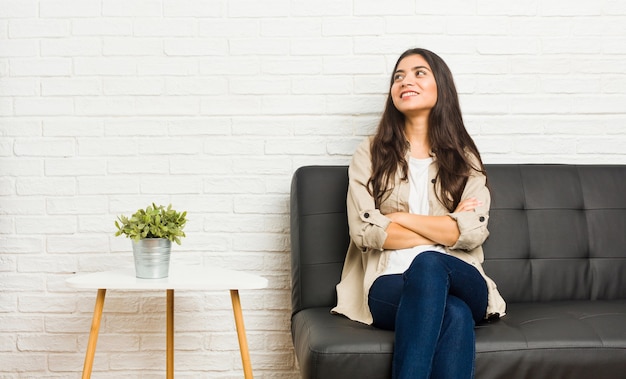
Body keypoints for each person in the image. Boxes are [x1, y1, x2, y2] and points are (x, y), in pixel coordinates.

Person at [330, 48, 507, 379]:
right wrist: (446, 223)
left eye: (418, 73)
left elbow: (470, 233)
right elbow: (366, 232)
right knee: (453, 313)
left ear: (441, 85)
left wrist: (398, 218)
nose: (405, 80)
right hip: (389, 282)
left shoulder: (464, 158)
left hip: (461, 277)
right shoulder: (369, 153)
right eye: (399, 76)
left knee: (429, 263)